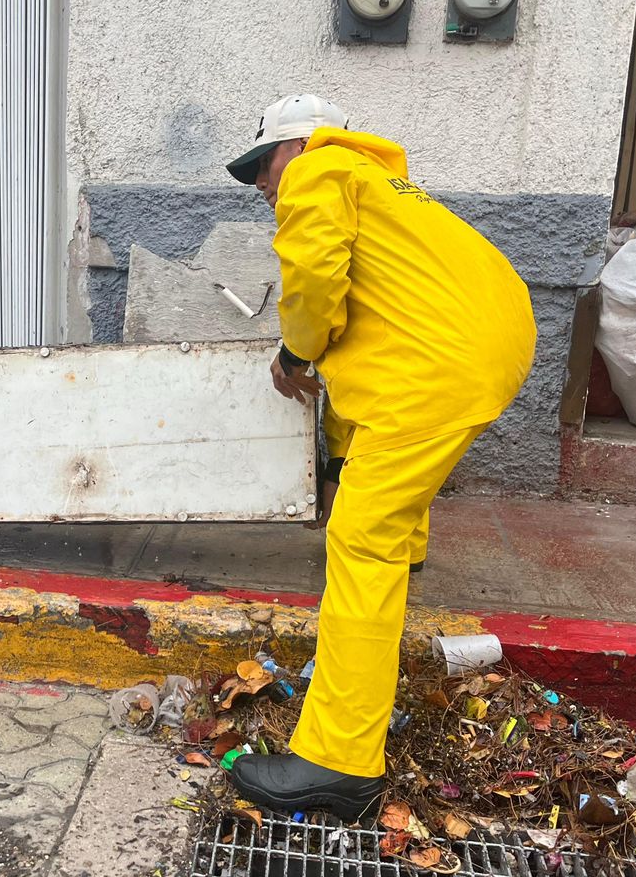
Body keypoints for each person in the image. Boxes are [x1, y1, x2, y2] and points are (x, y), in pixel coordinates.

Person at [222, 94, 536, 820]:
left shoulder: (318, 171)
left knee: (362, 541)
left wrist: (294, 353)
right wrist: (337, 459)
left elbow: (313, 284)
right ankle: (408, 558)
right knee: (380, 493)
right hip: (481, 349)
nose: (261, 183)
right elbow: (372, 346)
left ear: (298, 146)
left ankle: (338, 762)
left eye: (263, 163)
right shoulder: (384, 187)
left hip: (440, 367)